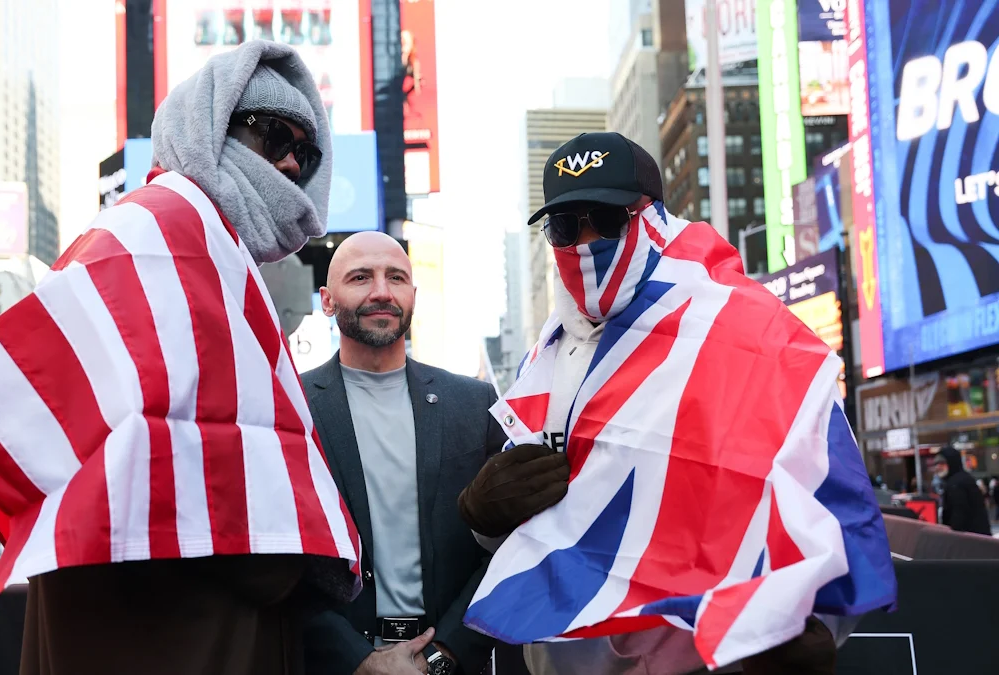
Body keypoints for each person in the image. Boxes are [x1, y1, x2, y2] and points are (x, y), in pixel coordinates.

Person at [0, 40, 355, 675]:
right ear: (211, 126)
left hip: (171, 614)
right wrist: (291, 565)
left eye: (306, 153)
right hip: (164, 630)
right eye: (274, 134)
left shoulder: (187, 238)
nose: (289, 163)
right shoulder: (170, 235)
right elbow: (195, 465)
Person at [459, 133, 869, 675]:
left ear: (652, 217)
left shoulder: (746, 333)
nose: (584, 241)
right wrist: (484, 517)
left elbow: (826, 498)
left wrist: (808, 625)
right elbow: (525, 531)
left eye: (604, 220)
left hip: (708, 657)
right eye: (564, 226)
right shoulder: (547, 360)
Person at [301, 231, 505, 675]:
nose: (381, 292)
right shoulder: (291, 406)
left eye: (395, 277)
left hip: (452, 658)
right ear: (327, 301)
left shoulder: (474, 404)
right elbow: (279, 558)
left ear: (413, 295)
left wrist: (445, 654)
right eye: (360, 277)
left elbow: (506, 546)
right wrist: (357, 660)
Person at [933, 447, 991, 535]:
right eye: (936, 463)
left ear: (951, 462)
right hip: (978, 538)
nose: (938, 467)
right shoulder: (963, 479)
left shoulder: (956, 484)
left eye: (942, 463)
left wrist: (953, 535)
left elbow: (958, 514)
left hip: (969, 540)